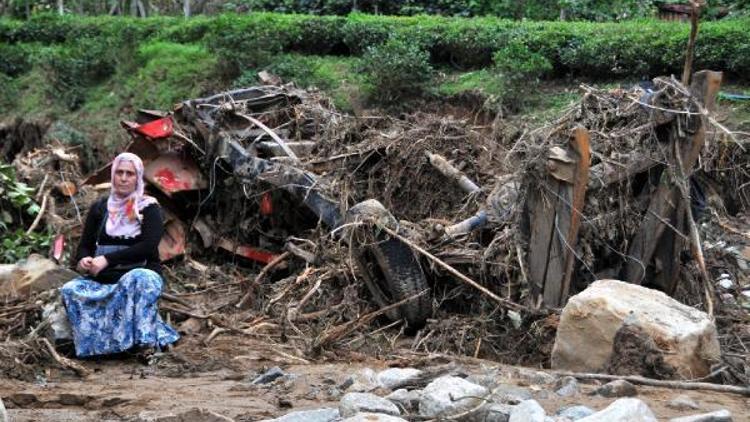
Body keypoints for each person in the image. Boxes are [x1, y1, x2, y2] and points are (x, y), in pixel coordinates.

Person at [61, 152, 179, 358]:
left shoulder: (148, 208)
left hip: (135, 278)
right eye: (120, 173)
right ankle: (99, 346)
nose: (124, 178)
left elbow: (148, 246)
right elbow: (85, 245)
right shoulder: (100, 207)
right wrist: (83, 260)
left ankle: (145, 345)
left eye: (130, 174)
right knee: (71, 289)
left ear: (138, 178)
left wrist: (107, 259)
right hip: (104, 281)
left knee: (143, 278)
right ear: (113, 175)